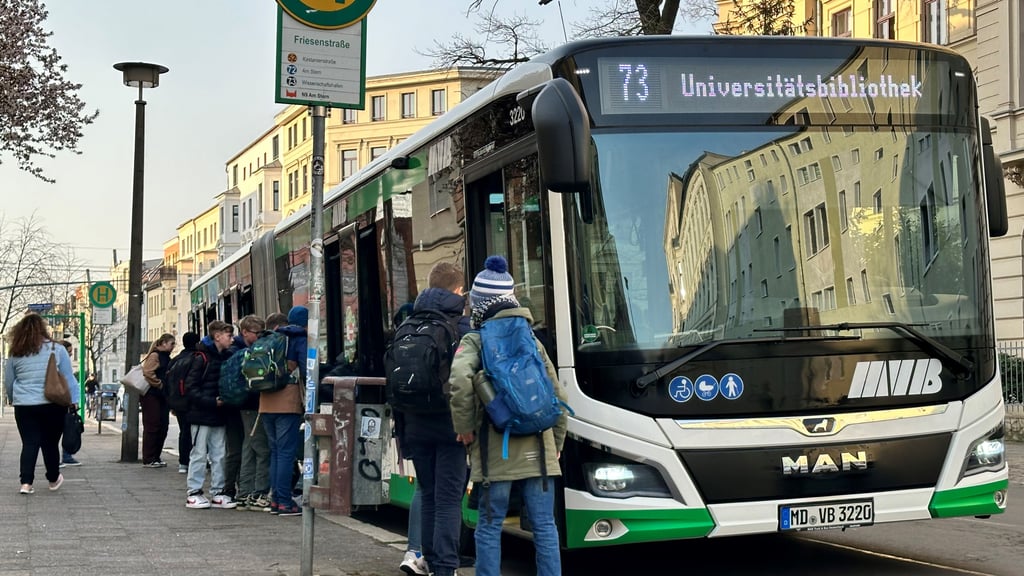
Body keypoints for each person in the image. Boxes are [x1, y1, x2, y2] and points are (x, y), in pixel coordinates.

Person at [448, 256, 568, 576]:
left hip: (495, 452)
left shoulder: (475, 340)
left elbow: (459, 381)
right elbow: (559, 396)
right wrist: (556, 443)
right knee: (545, 526)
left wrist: (465, 428)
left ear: (477, 303)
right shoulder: (532, 340)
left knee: (489, 525)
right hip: (539, 450)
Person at [394, 262, 472, 576]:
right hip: (450, 426)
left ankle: (428, 559)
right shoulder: (462, 327)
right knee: (449, 499)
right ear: (458, 290)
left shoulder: (408, 324)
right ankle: (446, 566)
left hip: (414, 424)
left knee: (428, 493)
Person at [3, 313, 79, 494]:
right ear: (43, 329)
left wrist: (14, 398)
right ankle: (53, 479)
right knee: (50, 443)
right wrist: (73, 401)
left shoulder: (15, 352)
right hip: (52, 404)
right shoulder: (57, 349)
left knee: (29, 443)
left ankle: (26, 483)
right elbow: (68, 378)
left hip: (24, 405)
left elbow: (9, 381)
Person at [183, 321, 237, 509]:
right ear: (217, 336)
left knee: (218, 454)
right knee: (200, 453)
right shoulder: (202, 358)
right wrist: (212, 401)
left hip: (216, 413)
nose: (232, 339)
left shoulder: (222, 356)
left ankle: (217, 491)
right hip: (202, 413)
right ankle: (194, 492)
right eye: (229, 335)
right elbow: (191, 388)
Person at [258, 308, 305, 516]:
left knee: (276, 452)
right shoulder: (298, 338)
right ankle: (285, 502)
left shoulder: (269, 338)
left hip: (265, 402)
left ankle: (276, 500)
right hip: (287, 402)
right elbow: (308, 368)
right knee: (286, 453)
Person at [234, 314, 272, 512]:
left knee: (249, 447)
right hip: (252, 404)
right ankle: (258, 493)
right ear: (245, 332)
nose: (259, 337)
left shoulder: (238, 350)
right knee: (261, 449)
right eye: (257, 333)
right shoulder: (248, 353)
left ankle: (244, 494)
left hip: (245, 405)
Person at [141, 333, 174, 468]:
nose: (173, 346)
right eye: (171, 343)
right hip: (152, 395)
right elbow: (148, 372)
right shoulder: (155, 356)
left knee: (162, 426)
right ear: (163, 343)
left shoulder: (165, 356)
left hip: (161, 395)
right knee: (153, 426)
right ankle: (149, 458)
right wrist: (159, 384)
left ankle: (155, 456)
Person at [171, 332, 200, 474]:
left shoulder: (175, 360)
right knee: (196, 433)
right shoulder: (197, 358)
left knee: (184, 431)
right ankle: (192, 460)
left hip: (178, 402)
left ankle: (183, 462)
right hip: (192, 401)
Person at [59, 340, 82, 467]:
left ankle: (66, 456)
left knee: (67, 429)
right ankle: (63, 457)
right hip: (64, 401)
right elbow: (69, 383)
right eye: (69, 352)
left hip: (67, 401)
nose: (71, 354)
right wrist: (73, 401)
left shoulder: (64, 363)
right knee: (64, 429)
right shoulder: (61, 364)